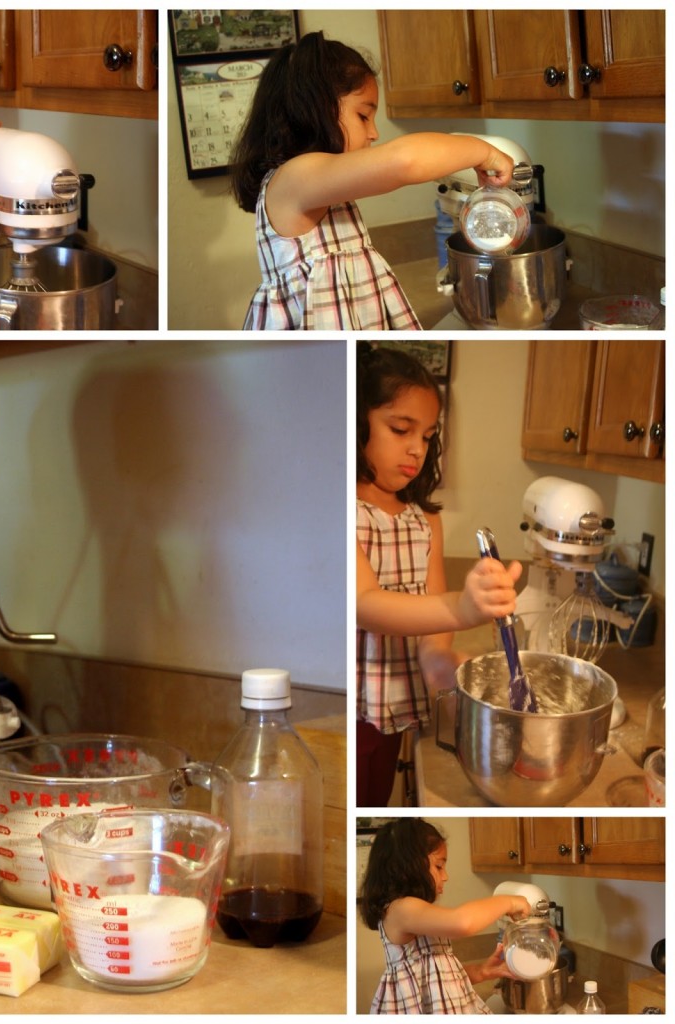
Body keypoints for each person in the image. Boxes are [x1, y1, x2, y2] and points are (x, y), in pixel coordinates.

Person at [229, 31, 515, 331]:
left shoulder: (323, 189)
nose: (374, 132)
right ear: (314, 109)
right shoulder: (294, 179)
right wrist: (482, 152)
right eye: (364, 116)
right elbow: (405, 161)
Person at [356, 343, 522, 806]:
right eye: (400, 429)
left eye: (427, 436)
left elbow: (431, 635)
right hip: (347, 710)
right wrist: (463, 607)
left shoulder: (425, 520)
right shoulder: (341, 510)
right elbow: (365, 604)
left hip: (392, 711)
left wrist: (442, 664)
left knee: (373, 799)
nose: (417, 449)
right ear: (356, 422)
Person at [359, 818, 531, 1014]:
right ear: (408, 867)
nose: (446, 876)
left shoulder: (419, 915)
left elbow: (437, 979)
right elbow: (463, 922)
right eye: (439, 866)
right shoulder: (400, 909)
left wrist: (482, 971)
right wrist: (508, 901)